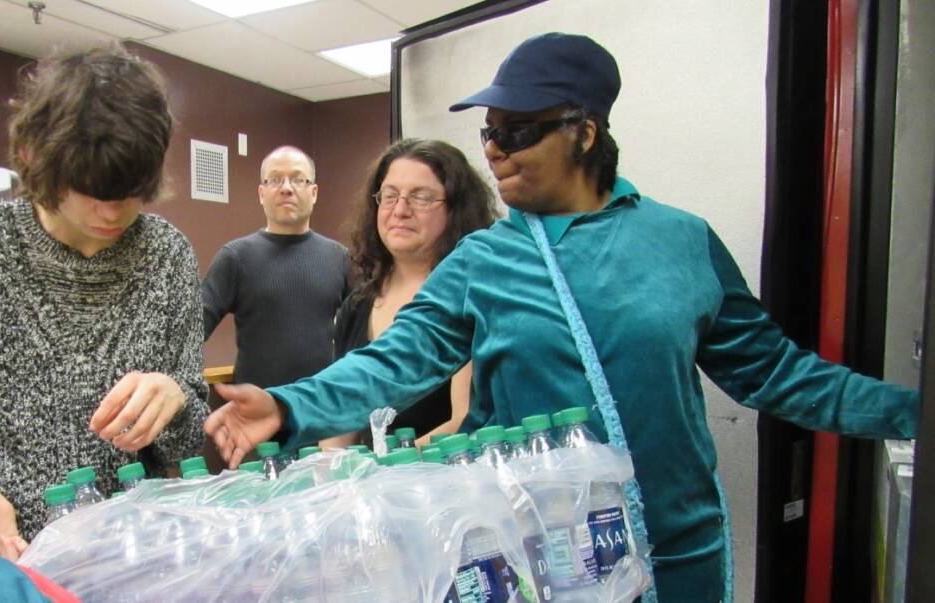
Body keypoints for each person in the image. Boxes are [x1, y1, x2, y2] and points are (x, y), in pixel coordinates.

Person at [204, 33, 918, 601]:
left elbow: (775, 372)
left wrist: (912, 413)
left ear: (583, 132)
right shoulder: (486, 258)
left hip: (676, 550)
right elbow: (397, 359)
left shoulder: (682, 240)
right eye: (489, 132)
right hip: (535, 557)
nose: (493, 149)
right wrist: (288, 405)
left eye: (518, 131)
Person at [0, 44, 209, 559]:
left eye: (130, 191)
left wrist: (178, 399)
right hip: (18, 553)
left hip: (137, 551)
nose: (112, 211)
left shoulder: (167, 254)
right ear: (37, 159)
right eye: (91, 189)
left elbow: (183, 442)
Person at [321, 139, 498, 449]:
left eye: (421, 197)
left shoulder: (471, 297)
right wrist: (331, 465)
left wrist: (383, 466)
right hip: (371, 486)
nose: (400, 210)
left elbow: (464, 420)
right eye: (389, 196)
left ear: (455, 209)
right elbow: (340, 416)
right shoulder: (357, 306)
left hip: (449, 481)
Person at [202, 146, 349, 388]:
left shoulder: (340, 258)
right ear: (261, 193)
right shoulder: (236, 257)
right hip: (255, 412)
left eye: (298, 180)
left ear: (314, 192)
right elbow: (191, 331)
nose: (287, 188)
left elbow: (365, 335)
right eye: (275, 180)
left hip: (320, 412)